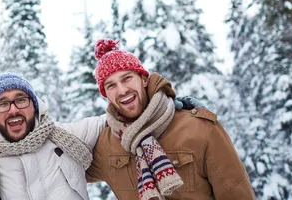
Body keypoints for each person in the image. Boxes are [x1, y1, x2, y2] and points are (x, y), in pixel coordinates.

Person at [86, 39, 255, 200]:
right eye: (111, 85)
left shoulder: (200, 129)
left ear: (144, 79)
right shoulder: (105, 145)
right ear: (105, 95)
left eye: (127, 78)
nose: (122, 90)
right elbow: (64, 170)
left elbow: (237, 194)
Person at [0, 72, 106, 200]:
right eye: (2, 104)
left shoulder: (68, 137)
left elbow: (112, 120)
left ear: (35, 106)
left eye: (21, 100)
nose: (13, 110)